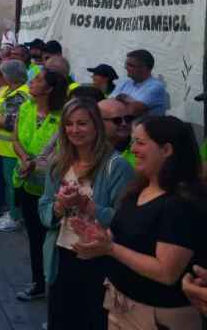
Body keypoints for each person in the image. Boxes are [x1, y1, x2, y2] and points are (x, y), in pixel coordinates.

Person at [72, 116, 204, 330]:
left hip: (157, 316)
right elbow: (125, 237)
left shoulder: (181, 204)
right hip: (120, 305)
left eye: (141, 143)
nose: (133, 149)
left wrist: (110, 248)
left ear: (166, 150)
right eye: (133, 142)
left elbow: (166, 272)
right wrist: (97, 237)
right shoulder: (138, 190)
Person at [38, 99, 135, 330]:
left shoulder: (116, 166)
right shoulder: (58, 163)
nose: (74, 130)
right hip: (62, 256)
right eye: (69, 124)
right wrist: (59, 207)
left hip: (99, 261)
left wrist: (88, 206)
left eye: (82, 123)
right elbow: (44, 209)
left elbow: (126, 222)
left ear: (97, 126)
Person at [10, 70, 69, 302]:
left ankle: (56, 284)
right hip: (26, 182)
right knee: (34, 236)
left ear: (50, 89)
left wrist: (40, 164)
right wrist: (24, 158)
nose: (31, 83)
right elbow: (15, 139)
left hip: (51, 188)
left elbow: (64, 150)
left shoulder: (64, 116)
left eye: (36, 80)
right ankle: (38, 282)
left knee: (53, 239)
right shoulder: (26, 108)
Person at [0, 60, 30, 233]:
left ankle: (15, 217)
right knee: (9, 183)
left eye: (3, 73)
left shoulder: (20, 95)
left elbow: (12, 122)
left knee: (12, 183)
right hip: (3, 147)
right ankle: (12, 213)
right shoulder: (11, 91)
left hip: (11, 149)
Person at [111, 50, 169, 117]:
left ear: (144, 68)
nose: (126, 67)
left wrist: (122, 98)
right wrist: (127, 101)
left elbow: (133, 111)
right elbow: (108, 102)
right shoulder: (126, 82)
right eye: (126, 64)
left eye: (130, 65)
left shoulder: (156, 87)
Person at [98, 99, 135, 165]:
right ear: (99, 122)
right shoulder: (86, 149)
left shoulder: (141, 148)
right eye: (117, 120)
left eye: (127, 119)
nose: (124, 123)